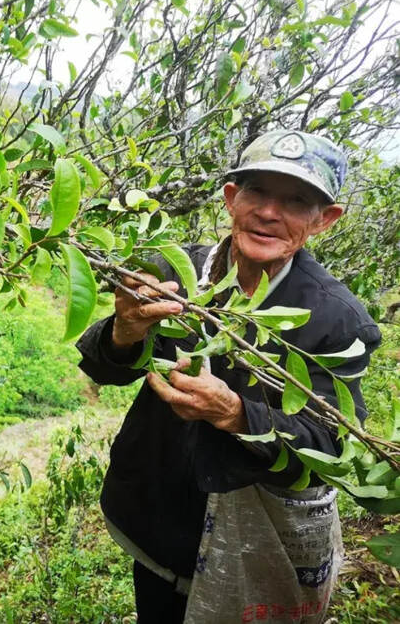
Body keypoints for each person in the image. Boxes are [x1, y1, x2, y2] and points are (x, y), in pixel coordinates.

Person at [74, 130, 382, 623]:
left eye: (297, 200)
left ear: (324, 220)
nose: (269, 212)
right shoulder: (174, 270)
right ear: (232, 198)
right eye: (257, 191)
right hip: (157, 519)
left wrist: (239, 415)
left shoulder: (338, 320)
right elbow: (102, 368)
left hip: (254, 540)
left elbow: (330, 444)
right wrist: (125, 331)